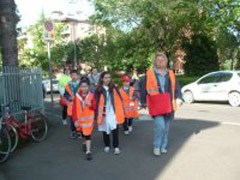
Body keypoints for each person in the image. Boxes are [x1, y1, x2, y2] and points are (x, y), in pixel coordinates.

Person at [140, 52, 183, 156]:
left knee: (166, 128)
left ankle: (163, 146)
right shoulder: (149, 74)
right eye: (158, 60)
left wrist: (179, 98)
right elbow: (143, 88)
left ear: (166, 62)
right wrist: (143, 101)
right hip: (156, 104)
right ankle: (156, 146)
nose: (160, 62)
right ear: (155, 62)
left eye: (162, 60)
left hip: (169, 104)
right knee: (160, 126)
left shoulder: (170, 73)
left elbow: (176, 87)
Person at [95, 72, 124, 155]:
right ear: (102, 79)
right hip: (103, 112)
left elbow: (120, 99)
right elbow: (96, 102)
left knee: (115, 129)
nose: (108, 79)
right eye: (106, 78)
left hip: (113, 111)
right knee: (105, 129)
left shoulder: (114, 88)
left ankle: (116, 146)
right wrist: (97, 113)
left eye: (109, 77)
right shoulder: (99, 90)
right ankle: (107, 145)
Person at [72, 78, 96, 160]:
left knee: (88, 134)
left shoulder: (92, 95)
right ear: (80, 87)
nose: (84, 88)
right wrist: (75, 120)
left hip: (89, 120)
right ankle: (84, 142)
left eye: (85, 86)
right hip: (80, 120)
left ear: (88, 87)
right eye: (82, 86)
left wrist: (90, 104)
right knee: (83, 134)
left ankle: (88, 151)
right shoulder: (77, 97)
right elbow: (74, 109)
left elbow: (94, 107)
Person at [64, 70, 79, 139]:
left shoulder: (80, 84)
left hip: (79, 105)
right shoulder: (67, 85)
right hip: (71, 106)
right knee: (72, 120)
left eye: (75, 75)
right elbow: (65, 95)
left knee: (79, 119)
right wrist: (69, 98)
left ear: (77, 76)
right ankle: (73, 131)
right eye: (72, 75)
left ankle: (78, 131)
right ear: (70, 76)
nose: (74, 77)